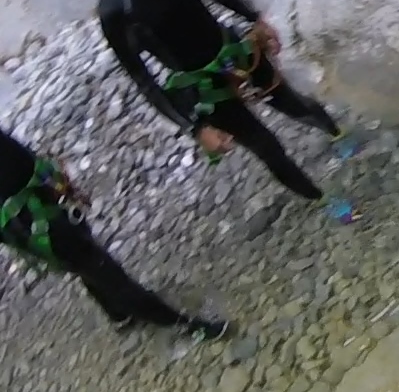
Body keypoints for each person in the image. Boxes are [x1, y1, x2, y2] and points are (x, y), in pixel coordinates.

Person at [76, 0, 358, 221]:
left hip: (232, 50)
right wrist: (196, 129)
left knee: (291, 101)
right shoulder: (114, 10)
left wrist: (255, 19)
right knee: (266, 146)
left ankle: (341, 136)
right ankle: (322, 201)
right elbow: (143, 79)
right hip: (204, 87)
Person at [1, 125, 229, 339]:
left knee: (84, 263)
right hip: (37, 217)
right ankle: (178, 323)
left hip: (33, 211)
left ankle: (117, 313)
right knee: (103, 271)